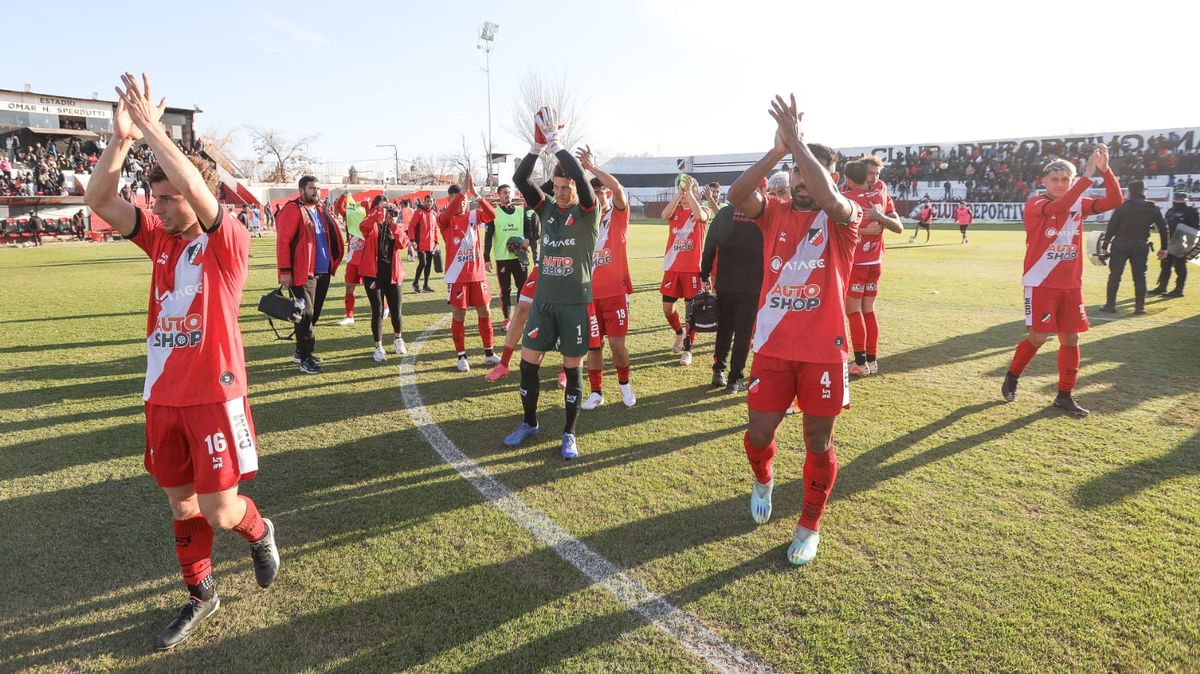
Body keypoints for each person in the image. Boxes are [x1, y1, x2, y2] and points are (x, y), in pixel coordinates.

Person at [85, 73, 278, 650]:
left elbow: (196, 187)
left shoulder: (227, 241)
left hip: (216, 396)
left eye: (169, 198)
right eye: (155, 197)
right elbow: (99, 200)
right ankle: (202, 595)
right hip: (163, 395)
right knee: (180, 501)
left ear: (194, 196)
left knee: (221, 513)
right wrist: (122, 141)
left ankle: (260, 528)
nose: (158, 206)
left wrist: (152, 128)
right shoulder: (159, 239)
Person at [726, 94, 862, 566]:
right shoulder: (777, 212)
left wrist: (799, 146)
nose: (803, 181)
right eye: (797, 173)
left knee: (818, 443)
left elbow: (829, 198)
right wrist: (779, 150)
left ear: (829, 176)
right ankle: (763, 478)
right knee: (759, 434)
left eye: (811, 172)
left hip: (824, 353)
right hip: (773, 349)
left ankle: (809, 524)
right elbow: (736, 196)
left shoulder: (844, 216)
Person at [504, 106, 599, 460]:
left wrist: (558, 145)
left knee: (572, 369)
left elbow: (581, 180)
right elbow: (520, 180)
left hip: (574, 304)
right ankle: (529, 423)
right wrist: (537, 146)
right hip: (543, 303)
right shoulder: (546, 210)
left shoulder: (587, 211)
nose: (559, 192)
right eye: (556, 187)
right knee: (528, 363)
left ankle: (569, 433)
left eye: (566, 187)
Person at [1001, 148, 1123, 417]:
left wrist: (1105, 170)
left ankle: (1064, 395)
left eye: (1065, 179)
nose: (1059, 184)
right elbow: (1058, 207)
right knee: (1039, 336)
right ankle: (1013, 374)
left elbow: (1116, 199)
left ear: (1071, 181)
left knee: (1071, 338)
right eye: (1054, 179)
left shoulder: (1079, 203)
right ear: (1043, 182)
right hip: (1041, 281)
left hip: (1071, 284)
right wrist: (1087, 178)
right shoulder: (1035, 203)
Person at [702, 173, 778, 393]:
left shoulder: (725, 213)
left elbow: (709, 245)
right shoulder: (766, 216)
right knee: (744, 333)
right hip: (753, 284)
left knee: (724, 328)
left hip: (726, 282)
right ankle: (735, 378)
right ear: (761, 193)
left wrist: (705, 272)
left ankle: (719, 371)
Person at [577, 146, 636, 409]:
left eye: (601, 191)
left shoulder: (618, 215)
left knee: (617, 345)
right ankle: (596, 392)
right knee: (593, 346)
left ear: (607, 194)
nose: (599, 195)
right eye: (594, 191)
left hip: (615, 293)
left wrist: (591, 168)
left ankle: (625, 385)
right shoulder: (586, 221)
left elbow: (620, 191)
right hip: (590, 295)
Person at [275, 175, 346, 374]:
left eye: (318, 188)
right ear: (301, 191)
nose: (316, 191)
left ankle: (300, 351)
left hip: (322, 271)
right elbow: (283, 242)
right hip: (301, 273)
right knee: (305, 315)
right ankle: (306, 358)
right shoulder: (293, 209)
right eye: (312, 188)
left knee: (312, 315)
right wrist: (285, 271)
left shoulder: (321, 210)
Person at [842, 157, 904, 377]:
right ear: (861, 172)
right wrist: (872, 227)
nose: (875, 178)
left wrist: (876, 220)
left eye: (878, 174)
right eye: (871, 173)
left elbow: (898, 227)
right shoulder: (879, 190)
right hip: (873, 261)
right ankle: (871, 361)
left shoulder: (852, 194)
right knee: (867, 309)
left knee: (854, 310)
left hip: (859, 262)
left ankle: (860, 362)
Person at [438, 174, 500, 372]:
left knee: (485, 311)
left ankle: (489, 353)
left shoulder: (473, 217)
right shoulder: (445, 221)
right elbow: (445, 215)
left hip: (478, 275)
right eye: (458, 200)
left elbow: (492, 215)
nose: (462, 203)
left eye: (465, 200)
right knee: (460, 314)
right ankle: (461, 356)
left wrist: (478, 196)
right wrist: (462, 192)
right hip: (457, 276)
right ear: (451, 202)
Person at [660, 174, 711, 366]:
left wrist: (688, 192)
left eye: (689, 190)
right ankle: (680, 333)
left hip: (692, 270)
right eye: (681, 190)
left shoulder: (702, 209)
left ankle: (688, 349)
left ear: (696, 192)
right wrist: (680, 193)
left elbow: (701, 216)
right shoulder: (674, 211)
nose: (683, 194)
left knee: (692, 311)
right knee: (667, 308)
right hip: (672, 268)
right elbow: (664, 215)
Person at [1100, 180, 1168, 314]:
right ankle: (1139, 307)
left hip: (1120, 243)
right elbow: (1163, 228)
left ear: (1129, 191)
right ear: (1143, 190)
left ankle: (1110, 305)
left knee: (1115, 275)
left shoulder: (1122, 207)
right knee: (1140, 276)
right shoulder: (1153, 207)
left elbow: (1112, 227)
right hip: (1140, 244)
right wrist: (1164, 247)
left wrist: (1105, 245)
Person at [358, 200, 410, 361]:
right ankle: (378, 347)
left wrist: (394, 224)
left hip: (393, 275)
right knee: (378, 311)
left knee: (396, 310)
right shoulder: (372, 225)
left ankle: (398, 339)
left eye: (389, 210)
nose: (387, 213)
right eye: (383, 209)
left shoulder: (396, 226)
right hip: (373, 275)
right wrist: (377, 214)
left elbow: (403, 244)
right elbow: (364, 227)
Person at [485, 183, 539, 332]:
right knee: (506, 290)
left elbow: (530, 232)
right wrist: (486, 258)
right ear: (498, 195)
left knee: (523, 288)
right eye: (504, 192)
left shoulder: (521, 212)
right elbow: (488, 237)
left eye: (509, 192)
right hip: (503, 258)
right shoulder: (493, 213)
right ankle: (507, 319)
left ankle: (522, 317)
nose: (507, 195)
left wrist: (526, 241)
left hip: (520, 256)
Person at [1150, 191, 1195, 298]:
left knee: (1180, 267)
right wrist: (1163, 246)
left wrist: (1190, 244)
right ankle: (1162, 287)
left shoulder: (1191, 212)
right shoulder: (1170, 211)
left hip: (1182, 243)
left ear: (1185, 201)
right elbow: (1165, 228)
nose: (1178, 202)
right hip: (1169, 242)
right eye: (1176, 200)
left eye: (1180, 200)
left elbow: (1194, 229)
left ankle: (1179, 290)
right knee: (1165, 265)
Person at [335, 195, 368, 327]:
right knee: (349, 288)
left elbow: (367, 205)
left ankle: (385, 307)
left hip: (366, 261)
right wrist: (343, 195)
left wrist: (359, 204)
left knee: (372, 289)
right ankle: (350, 316)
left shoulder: (368, 220)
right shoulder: (350, 220)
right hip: (352, 261)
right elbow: (338, 207)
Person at [407, 195, 438, 293]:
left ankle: (425, 286)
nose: (429, 203)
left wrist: (436, 242)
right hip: (420, 243)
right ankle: (415, 283)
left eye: (430, 201)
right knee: (423, 263)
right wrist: (412, 240)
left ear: (433, 203)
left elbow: (436, 229)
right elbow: (411, 226)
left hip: (431, 244)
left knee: (428, 265)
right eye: (427, 201)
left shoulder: (434, 214)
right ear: (424, 202)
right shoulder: (419, 213)